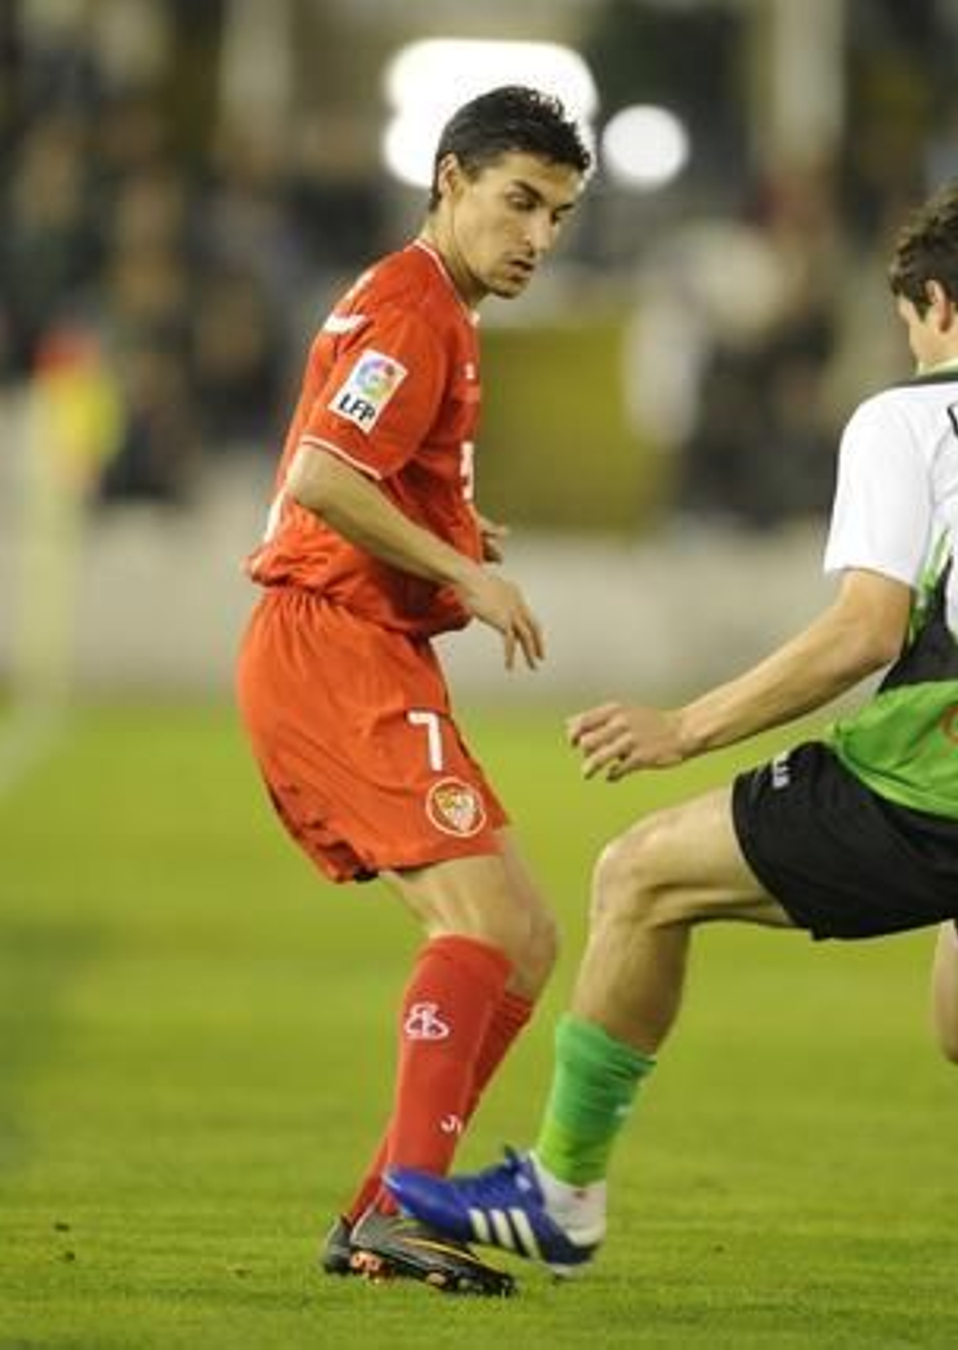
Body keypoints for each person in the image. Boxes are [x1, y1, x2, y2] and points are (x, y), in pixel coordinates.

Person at [389, 184, 958, 1328]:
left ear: (936, 303)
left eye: (912, 321)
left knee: (637, 877)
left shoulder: (913, 418)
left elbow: (864, 633)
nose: (913, 343)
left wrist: (685, 729)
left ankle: (561, 1195)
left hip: (934, 781)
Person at [234, 86, 589, 1296]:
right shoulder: (412, 307)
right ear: (449, 180)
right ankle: (413, 1215)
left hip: (365, 644)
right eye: (519, 201)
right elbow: (327, 479)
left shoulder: (435, 308)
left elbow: (344, 470)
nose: (538, 236)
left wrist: (446, 521)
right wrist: (461, 573)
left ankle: (381, 1211)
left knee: (528, 940)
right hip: (332, 643)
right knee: (483, 927)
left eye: (559, 213)